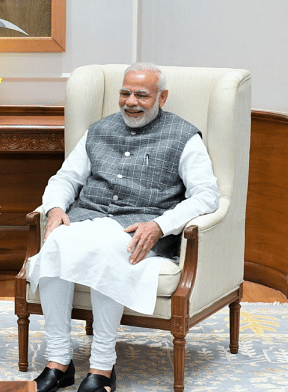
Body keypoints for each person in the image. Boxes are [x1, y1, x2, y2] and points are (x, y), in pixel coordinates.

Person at [27, 63, 220, 392]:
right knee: (56, 242)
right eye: (125, 93)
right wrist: (56, 207)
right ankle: (59, 362)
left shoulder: (184, 136)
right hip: (90, 217)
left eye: (142, 95)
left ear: (162, 98)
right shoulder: (98, 130)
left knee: (108, 249)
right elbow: (65, 178)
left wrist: (161, 225)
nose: (131, 101)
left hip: (140, 230)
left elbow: (207, 196)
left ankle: (102, 369)